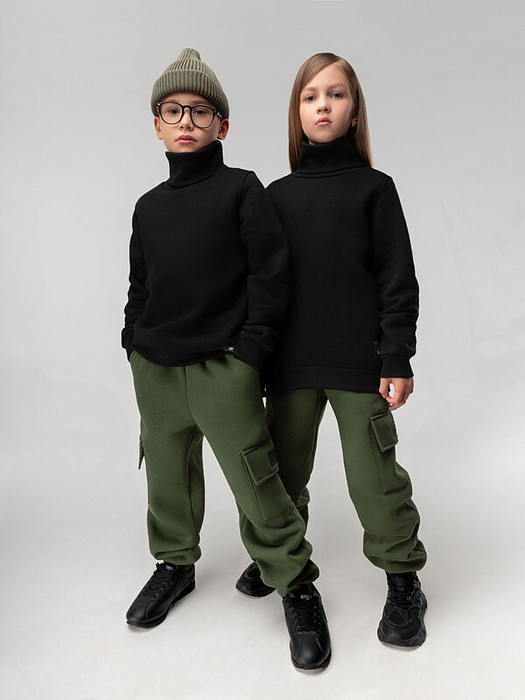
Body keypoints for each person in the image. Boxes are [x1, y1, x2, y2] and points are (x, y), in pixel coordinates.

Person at [121, 48, 331, 671]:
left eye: (200, 111)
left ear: (222, 125)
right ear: (157, 124)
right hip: (157, 367)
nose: (186, 120)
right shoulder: (148, 205)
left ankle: (294, 582)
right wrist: (132, 340)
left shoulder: (242, 188)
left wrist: (250, 354)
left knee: (255, 477)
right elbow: (140, 283)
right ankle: (174, 564)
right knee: (167, 474)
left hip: (223, 365)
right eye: (173, 110)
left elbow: (271, 275)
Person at [235, 52, 428, 648]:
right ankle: (278, 557)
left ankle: (404, 582)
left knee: (375, 479)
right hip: (289, 365)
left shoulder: (375, 189)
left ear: (354, 110)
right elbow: (261, 284)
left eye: (336, 94)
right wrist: (255, 358)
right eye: (310, 96)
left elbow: (398, 279)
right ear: (297, 113)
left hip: (358, 364)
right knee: (279, 475)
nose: (323, 105)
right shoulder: (275, 195)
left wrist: (397, 356)